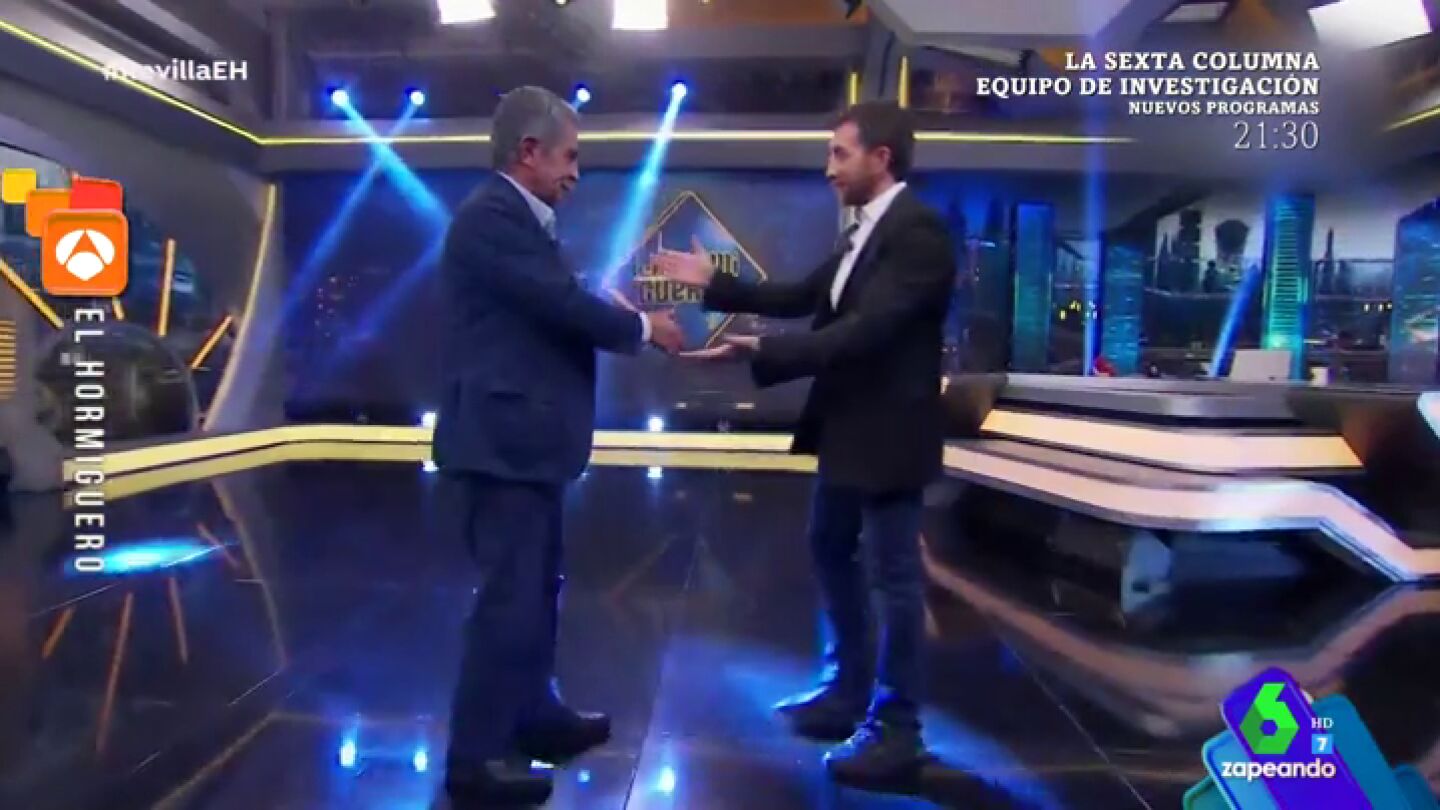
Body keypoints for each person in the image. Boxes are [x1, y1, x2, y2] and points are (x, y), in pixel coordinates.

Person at [655, 100, 957, 785]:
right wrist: (717, 284)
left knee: (894, 580)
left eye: (839, 154)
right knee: (828, 546)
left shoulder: (918, 234)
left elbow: (863, 333)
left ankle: (898, 729)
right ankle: (848, 690)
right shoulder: (862, 234)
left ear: (882, 158)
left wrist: (763, 352)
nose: (828, 169)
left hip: (890, 436)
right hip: (848, 429)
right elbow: (799, 296)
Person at [432, 85, 684, 806]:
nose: (576, 172)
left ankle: (532, 714)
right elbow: (559, 305)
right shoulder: (491, 218)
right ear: (529, 152)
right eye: (569, 157)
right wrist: (643, 329)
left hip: (528, 445)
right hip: (500, 444)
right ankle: (476, 759)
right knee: (508, 598)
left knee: (538, 591)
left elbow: (553, 305)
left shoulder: (522, 223)